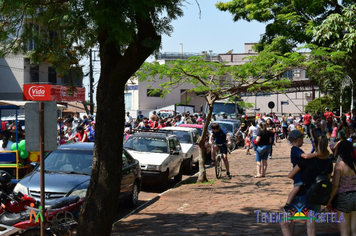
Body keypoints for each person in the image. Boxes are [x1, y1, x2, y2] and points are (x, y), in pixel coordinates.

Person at [281, 135, 333, 236]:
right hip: (317, 196)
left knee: (284, 223)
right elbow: (328, 178)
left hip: (302, 195)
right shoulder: (329, 162)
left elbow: (291, 175)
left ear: (314, 144)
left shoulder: (307, 160)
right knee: (311, 225)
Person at [282, 130, 322, 213]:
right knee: (297, 187)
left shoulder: (297, 149)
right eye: (303, 139)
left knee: (298, 187)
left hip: (299, 172)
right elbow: (306, 156)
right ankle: (287, 204)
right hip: (298, 173)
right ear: (299, 139)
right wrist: (317, 154)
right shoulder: (295, 149)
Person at [327, 140, 356, 236]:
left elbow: (335, 185)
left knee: (344, 231)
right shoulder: (355, 164)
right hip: (355, 196)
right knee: (354, 230)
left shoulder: (340, 165)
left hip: (343, 199)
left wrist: (329, 200)